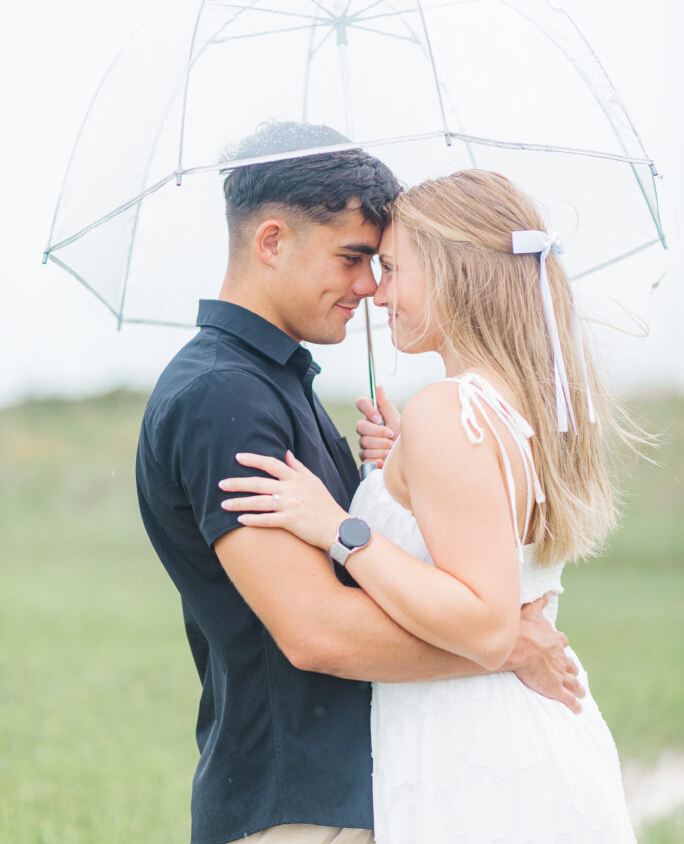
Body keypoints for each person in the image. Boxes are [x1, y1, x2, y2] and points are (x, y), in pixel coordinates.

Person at [137, 125, 583, 844]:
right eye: (353, 259)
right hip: (302, 804)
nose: (371, 287)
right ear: (272, 241)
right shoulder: (223, 397)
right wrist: (506, 647)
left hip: (364, 788)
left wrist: (399, 482)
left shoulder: (280, 386)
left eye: (380, 264)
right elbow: (317, 631)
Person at [220, 168, 636, 843]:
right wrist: (397, 474)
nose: (376, 294)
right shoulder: (522, 401)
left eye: (390, 268)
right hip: (524, 729)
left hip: (475, 746)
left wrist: (341, 526)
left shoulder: (448, 410)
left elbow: (484, 622)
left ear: (451, 272)